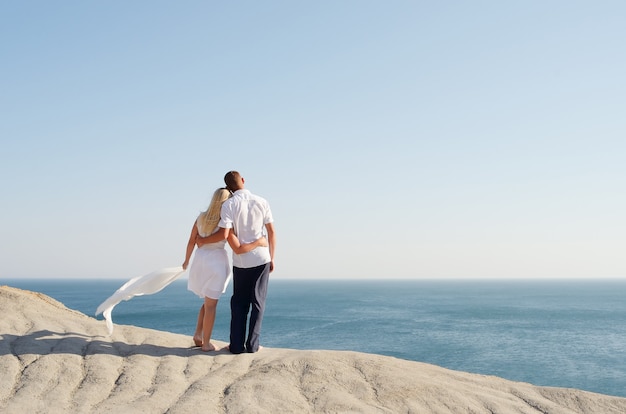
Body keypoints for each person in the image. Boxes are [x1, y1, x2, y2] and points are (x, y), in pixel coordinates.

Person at [197, 171, 275, 354]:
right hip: (261, 258)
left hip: (241, 262)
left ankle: (237, 346)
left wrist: (202, 241)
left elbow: (226, 234)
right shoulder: (262, 201)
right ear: (243, 180)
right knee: (258, 303)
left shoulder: (229, 205)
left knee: (239, 303)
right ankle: (253, 345)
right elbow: (271, 232)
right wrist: (272, 256)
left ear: (229, 188)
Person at [182, 187, 267, 352]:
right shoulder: (225, 219)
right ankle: (206, 343)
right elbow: (227, 237)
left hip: (200, 260)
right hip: (216, 262)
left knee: (207, 301)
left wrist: (186, 260)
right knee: (212, 304)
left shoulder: (201, 218)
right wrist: (259, 242)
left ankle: (198, 334)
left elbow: (192, 240)